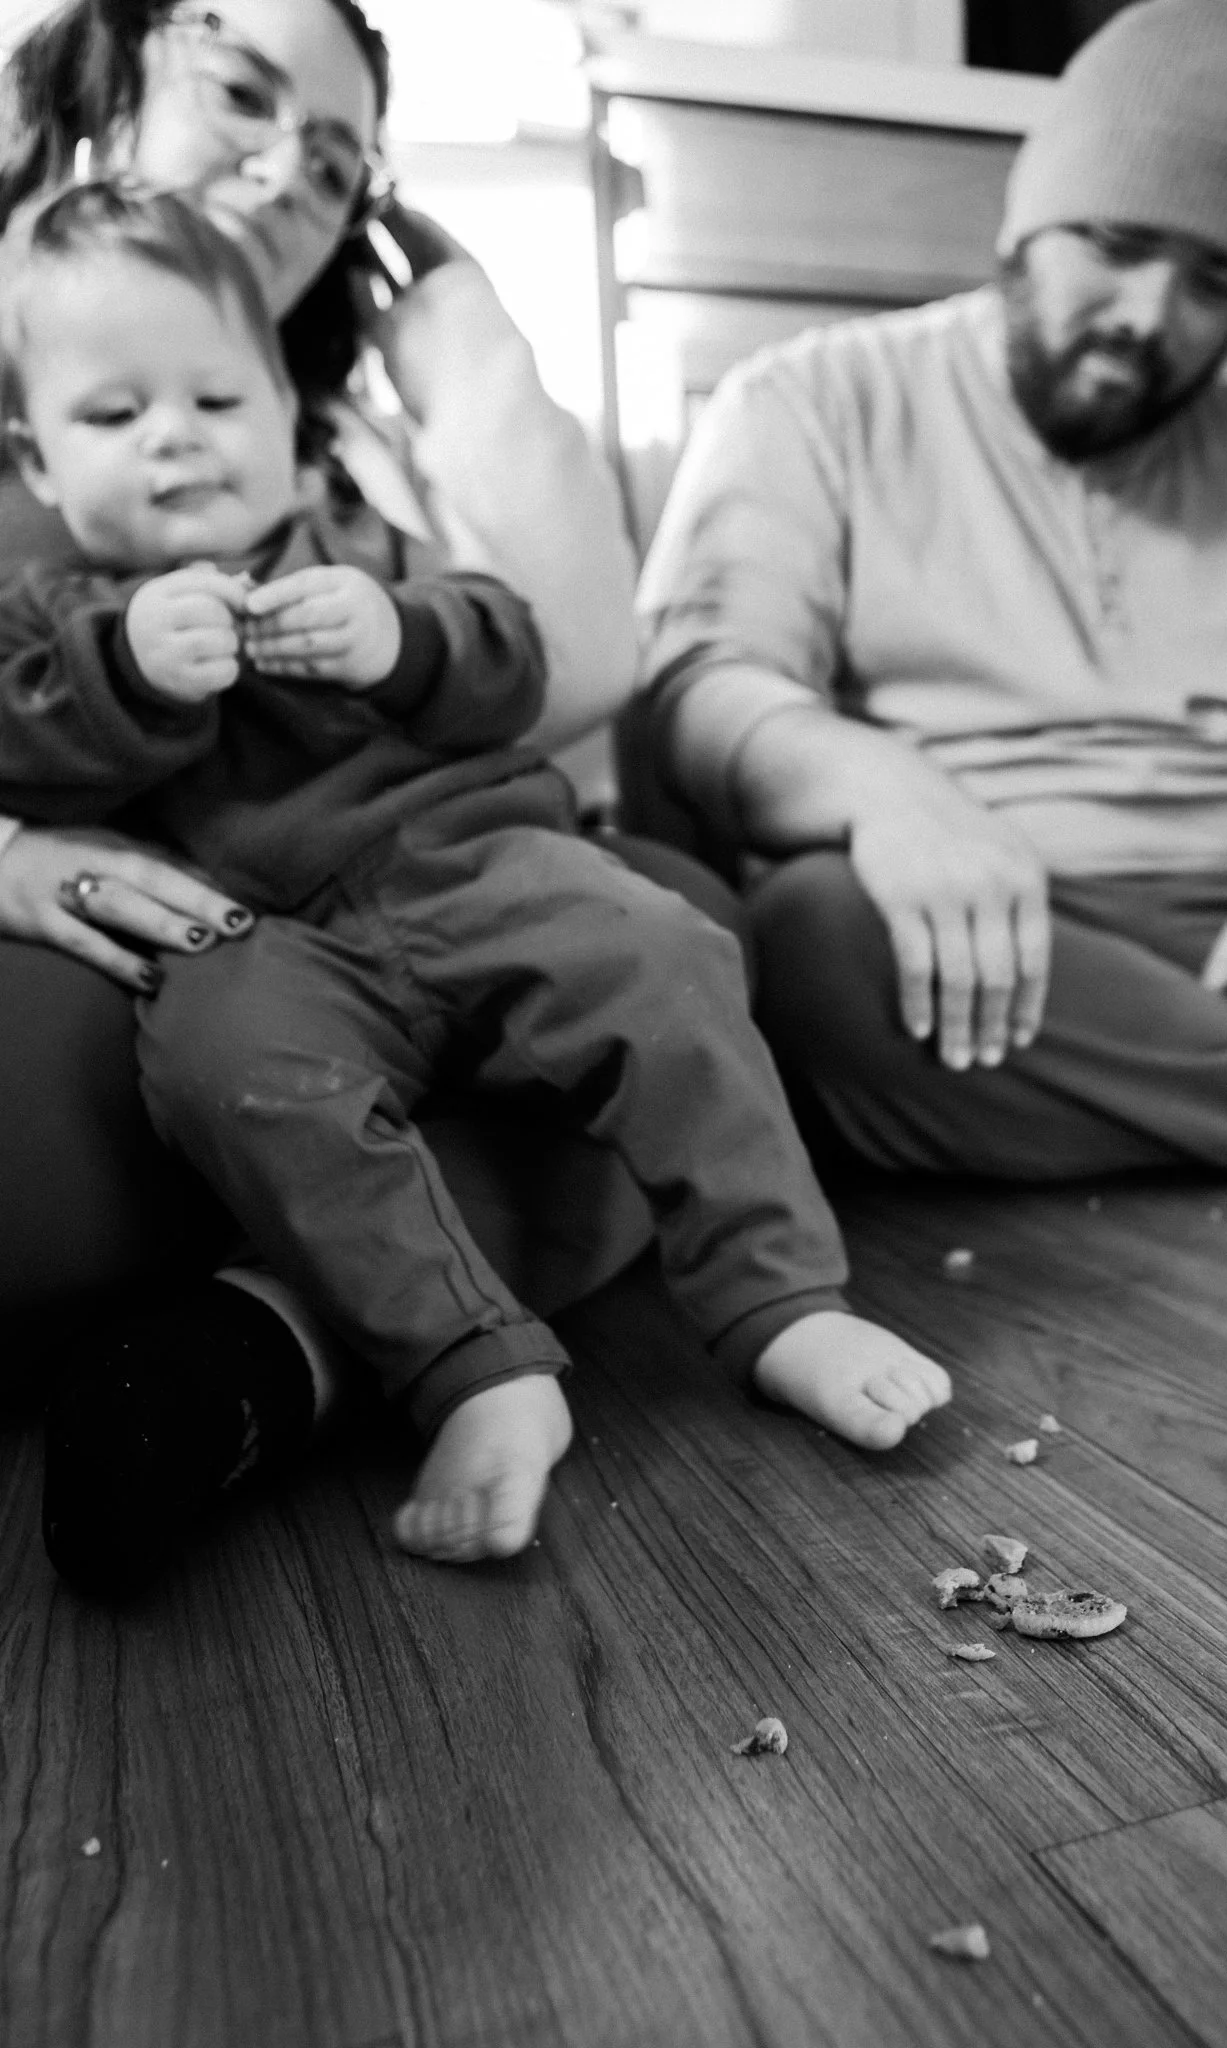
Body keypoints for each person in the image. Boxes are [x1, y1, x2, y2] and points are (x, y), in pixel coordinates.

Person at [0, 179, 953, 1591]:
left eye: (215, 402)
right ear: (34, 461)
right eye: (113, 415)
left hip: (481, 868)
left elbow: (509, 654)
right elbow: (24, 742)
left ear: (287, 413)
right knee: (215, 1057)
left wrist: (399, 638)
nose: (175, 441)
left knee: (666, 951)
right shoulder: (49, 613)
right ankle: (473, 1372)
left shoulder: (358, 547)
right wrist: (123, 671)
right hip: (269, 937)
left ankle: (777, 1301)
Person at [0, 0, 702, 1562]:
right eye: (239, 95)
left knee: (680, 924)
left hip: (358, 951)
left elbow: (578, 668)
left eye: (335, 168)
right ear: (98, 86)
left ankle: (273, 1342)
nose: (278, 176)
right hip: (124, 970)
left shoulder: (344, 456)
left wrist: (480, 353)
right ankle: (313, 1318)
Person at [635, 0, 1227, 1183]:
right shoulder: (808, 403)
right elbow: (703, 686)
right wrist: (886, 792)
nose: (1148, 317)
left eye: (1214, 282)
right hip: (978, 940)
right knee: (816, 944)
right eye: (1118, 244)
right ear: (1025, 223)